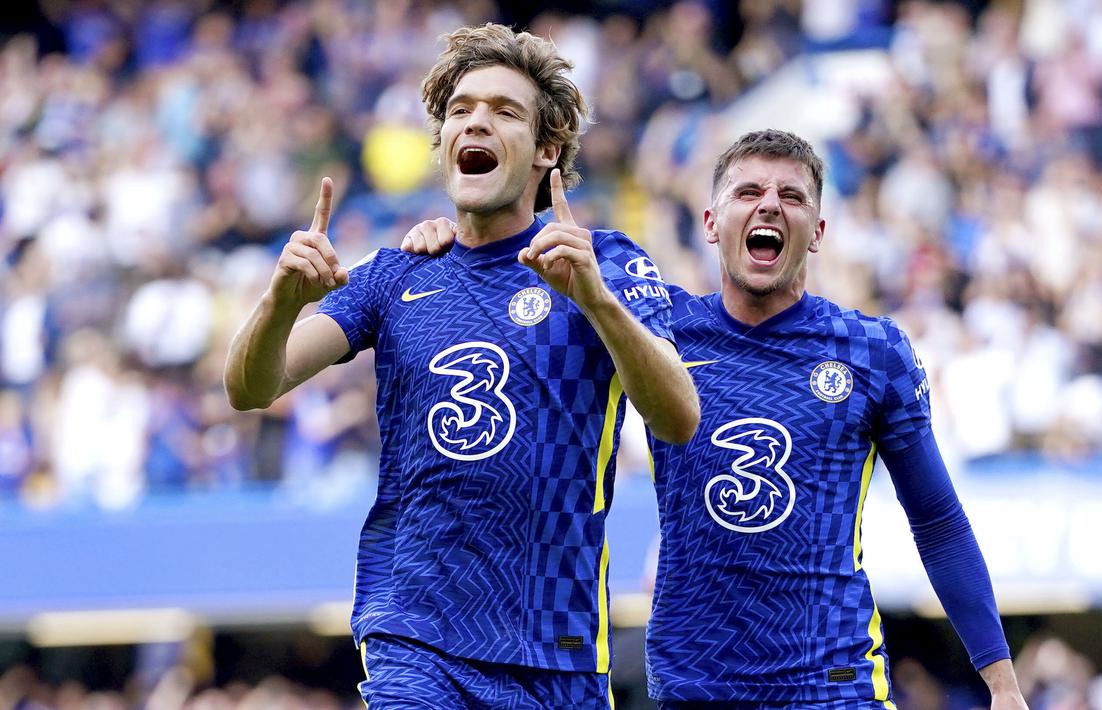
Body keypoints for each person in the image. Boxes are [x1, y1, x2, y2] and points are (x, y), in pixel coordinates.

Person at [402, 129, 1029, 709]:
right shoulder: (655, 334)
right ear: (711, 222)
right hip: (695, 683)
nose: (769, 206)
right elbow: (510, 299)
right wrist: (457, 238)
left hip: (832, 684)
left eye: (792, 196)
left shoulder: (872, 350)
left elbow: (939, 522)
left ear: (816, 229)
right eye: (748, 192)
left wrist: (1000, 681)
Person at [224, 24, 699, 709]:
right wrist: (279, 301)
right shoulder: (394, 274)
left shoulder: (607, 264)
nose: (475, 121)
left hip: (555, 652)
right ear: (443, 144)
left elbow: (678, 418)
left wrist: (594, 300)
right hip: (415, 639)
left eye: (504, 111)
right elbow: (250, 386)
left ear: (546, 151)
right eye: (460, 110)